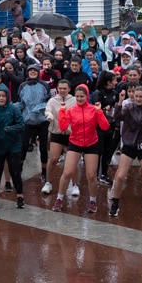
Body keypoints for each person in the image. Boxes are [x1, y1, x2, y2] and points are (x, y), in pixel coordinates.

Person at [55, 84, 110, 214]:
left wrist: (99, 112)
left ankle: (93, 201)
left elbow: (105, 127)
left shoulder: (93, 109)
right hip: (75, 142)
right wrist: (62, 111)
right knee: (67, 172)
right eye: (77, 96)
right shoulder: (71, 110)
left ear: (87, 97)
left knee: (91, 175)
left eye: (82, 96)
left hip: (91, 143)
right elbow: (62, 127)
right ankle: (59, 199)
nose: (79, 99)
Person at [108, 84, 142, 219]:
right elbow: (117, 117)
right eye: (136, 96)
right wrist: (120, 102)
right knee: (120, 176)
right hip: (129, 143)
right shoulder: (129, 107)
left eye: (140, 96)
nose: (138, 99)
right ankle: (115, 204)